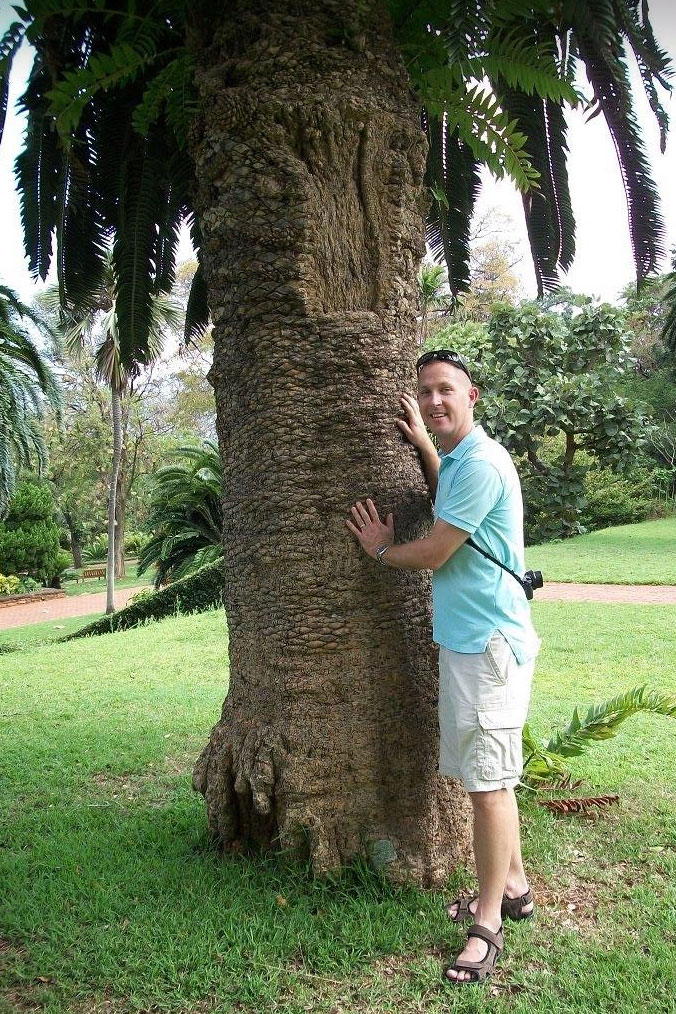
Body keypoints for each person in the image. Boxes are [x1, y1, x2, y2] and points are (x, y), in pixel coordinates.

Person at [346, 348, 540, 986]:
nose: (434, 401)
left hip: (488, 644)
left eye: (445, 390)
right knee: (483, 777)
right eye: (425, 391)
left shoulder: (481, 462)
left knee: (489, 786)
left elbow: (436, 548)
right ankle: (512, 888)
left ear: (472, 394)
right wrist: (428, 448)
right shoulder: (460, 460)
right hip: (468, 642)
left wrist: (379, 550)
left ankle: (488, 923)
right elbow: (449, 497)